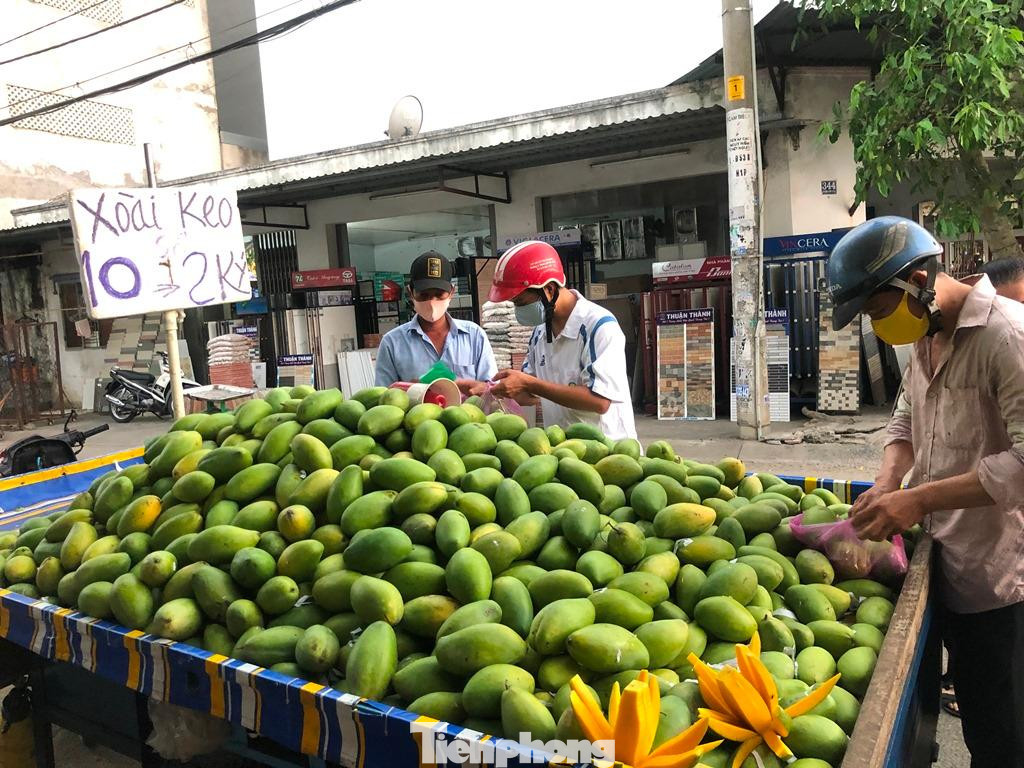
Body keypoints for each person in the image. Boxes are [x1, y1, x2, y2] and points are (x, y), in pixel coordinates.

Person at [826, 216, 1024, 768]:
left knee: (1002, 736)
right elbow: (904, 420)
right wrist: (889, 481)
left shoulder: (1007, 337)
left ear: (917, 278)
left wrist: (917, 500)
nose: (875, 323)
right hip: (948, 563)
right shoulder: (926, 337)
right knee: (978, 720)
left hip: (1003, 582)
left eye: (875, 307)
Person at [486, 240, 637, 441]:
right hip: (563, 453)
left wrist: (531, 384)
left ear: (548, 289)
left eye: (520, 302)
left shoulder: (599, 327)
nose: (518, 310)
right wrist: (498, 388)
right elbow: (529, 395)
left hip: (610, 454)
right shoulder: (539, 333)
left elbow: (600, 401)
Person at [374, 251, 497, 393]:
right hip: (418, 415)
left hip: (469, 415)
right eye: (424, 295)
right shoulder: (392, 343)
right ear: (410, 292)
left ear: (451, 292)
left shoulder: (474, 336)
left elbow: (493, 390)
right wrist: (412, 390)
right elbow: (385, 397)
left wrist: (460, 385)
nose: (432, 302)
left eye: (439, 295)